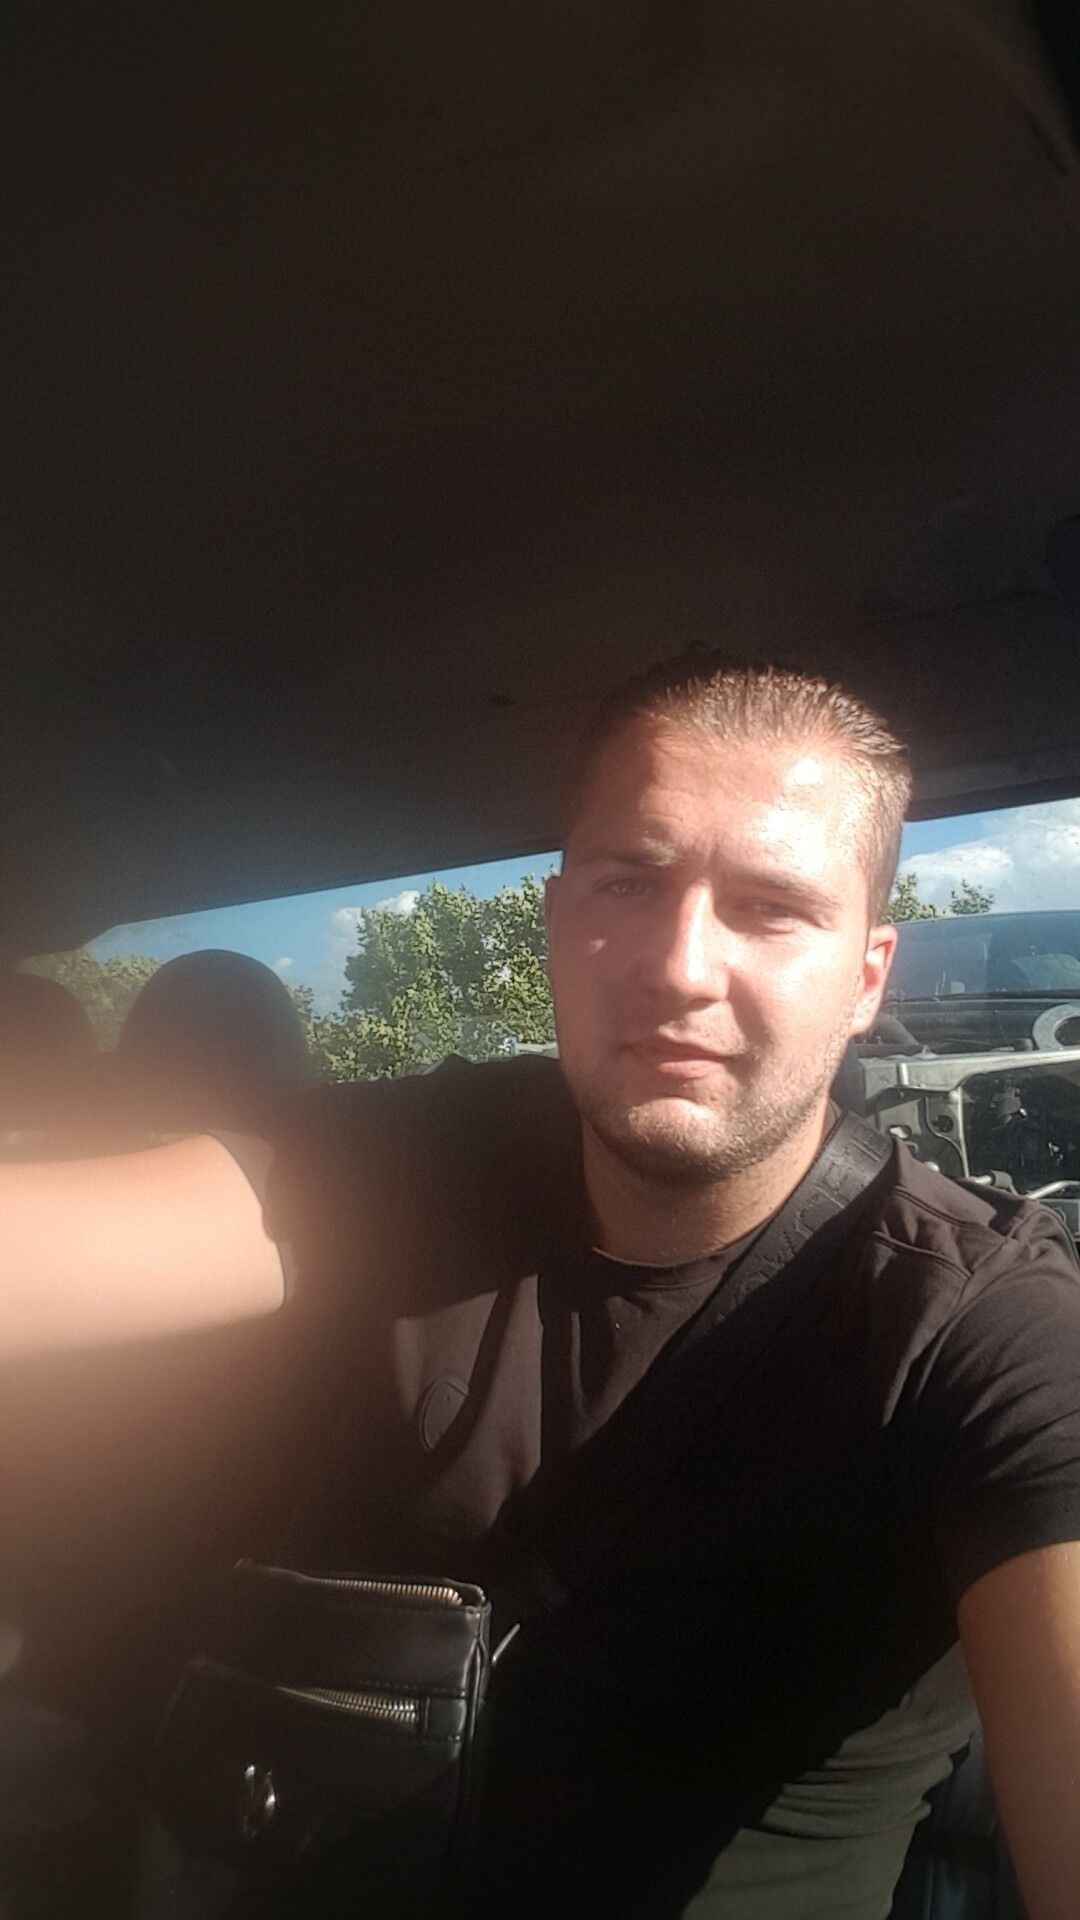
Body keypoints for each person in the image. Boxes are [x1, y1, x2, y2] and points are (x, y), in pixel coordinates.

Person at [3, 653, 1080, 1919]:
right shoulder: (410, 1162)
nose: (680, 967)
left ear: (865, 977)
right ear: (560, 922)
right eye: (630, 882)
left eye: (771, 907)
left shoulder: (980, 1323)